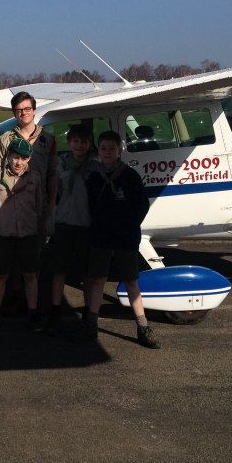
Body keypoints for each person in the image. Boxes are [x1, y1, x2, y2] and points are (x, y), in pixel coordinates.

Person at [80, 130, 160, 348]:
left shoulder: (130, 176)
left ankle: (143, 326)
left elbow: (142, 206)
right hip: (102, 237)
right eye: (103, 148)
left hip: (125, 237)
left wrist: (129, 225)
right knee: (98, 280)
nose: (107, 152)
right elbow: (90, 207)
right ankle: (91, 325)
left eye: (112, 148)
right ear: (98, 150)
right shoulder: (94, 178)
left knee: (131, 281)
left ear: (119, 150)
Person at [0, 137, 47, 330]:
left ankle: (33, 312)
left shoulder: (35, 179)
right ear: (8, 156)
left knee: (30, 275)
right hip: (4, 232)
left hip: (27, 232)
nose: (18, 162)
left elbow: (39, 205)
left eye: (23, 158)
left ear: (29, 159)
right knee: (1, 275)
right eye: (15, 157)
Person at [47, 124, 99, 334]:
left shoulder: (95, 166)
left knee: (87, 272)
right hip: (64, 223)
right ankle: (55, 308)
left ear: (89, 144)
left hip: (86, 224)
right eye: (75, 141)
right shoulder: (61, 164)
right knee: (59, 270)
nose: (79, 145)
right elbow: (54, 190)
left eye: (84, 142)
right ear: (69, 143)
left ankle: (88, 310)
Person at [0, 91, 58, 210]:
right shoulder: (5, 139)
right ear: (14, 113)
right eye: (19, 110)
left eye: (27, 109)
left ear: (34, 111)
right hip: (12, 203)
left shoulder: (48, 140)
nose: (23, 113)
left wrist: (52, 203)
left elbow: (52, 173)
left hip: (38, 203)